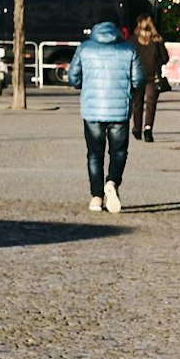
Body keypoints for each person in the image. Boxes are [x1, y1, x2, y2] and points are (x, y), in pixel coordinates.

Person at [66, 18, 145, 213]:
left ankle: (96, 196)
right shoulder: (128, 49)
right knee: (118, 152)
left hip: (92, 108)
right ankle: (112, 181)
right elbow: (138, 79)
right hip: (119, 108)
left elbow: (73, 77)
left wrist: (84, 84)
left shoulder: (85, 48)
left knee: (94, 153)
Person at [129, 15, 169, 142]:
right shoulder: (157, 40)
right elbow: (165, 59)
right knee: (151, 104)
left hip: (138, 75)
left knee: (137, 103)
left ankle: (137, 127)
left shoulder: (133, 40)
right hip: (154, 76)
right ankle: (148, 128)